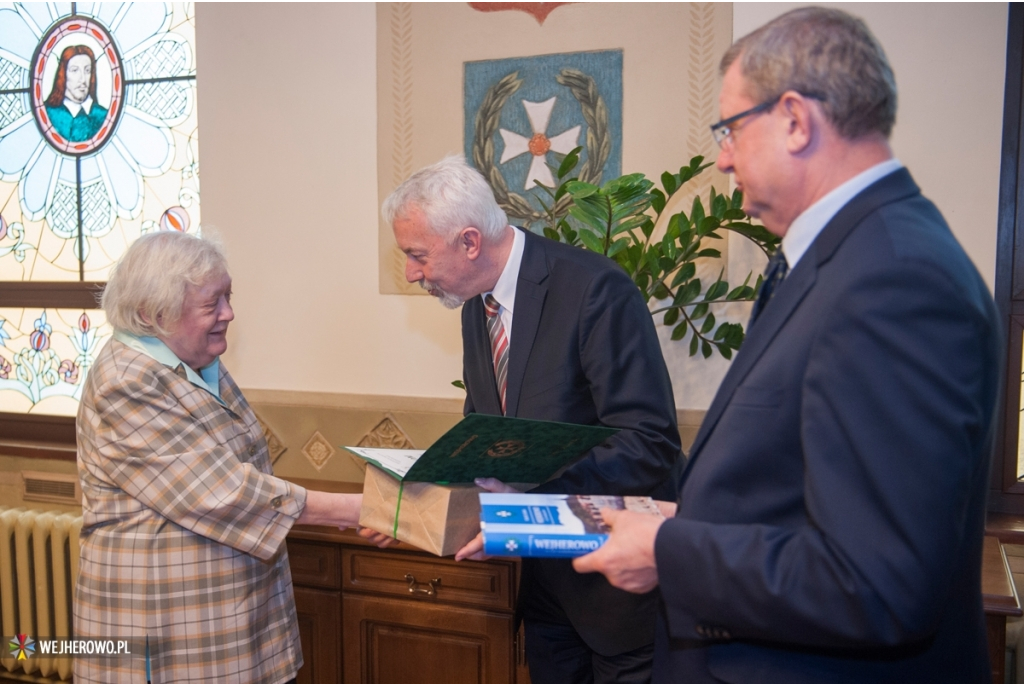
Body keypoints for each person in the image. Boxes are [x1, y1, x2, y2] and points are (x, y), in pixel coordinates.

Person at [573, 6, 1001, 682]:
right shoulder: (846, 258)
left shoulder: (893, 279)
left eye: (730, 129)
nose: (721, 157)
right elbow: (803, 491)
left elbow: (877, 582)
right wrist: (691, 520)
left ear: (796, 120)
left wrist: (671, 549)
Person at [381, 156, 682, 683]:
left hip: (618, 592)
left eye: (417, 255)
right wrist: (415, 502)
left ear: (470, 242)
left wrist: (531, 493)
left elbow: (648, 442)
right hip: (545, 593)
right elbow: (489, 433)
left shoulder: (595, 290)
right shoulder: (475, 301)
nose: (411, 272)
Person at [75, 230, 366, 683]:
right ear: (156, 314)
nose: (229, 314)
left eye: (227, 297)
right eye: (213, 304)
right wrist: (359, 510)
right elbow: (222, 492)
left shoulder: (193, 359)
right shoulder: (126, 382)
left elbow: (241, 459)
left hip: (226, 611)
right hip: (165, 625)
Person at [44, 45, 108, 142]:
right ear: (63, 74)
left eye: (87, 71)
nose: (82, 79)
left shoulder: (103, 116)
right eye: (74, 70)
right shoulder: (47, 113)